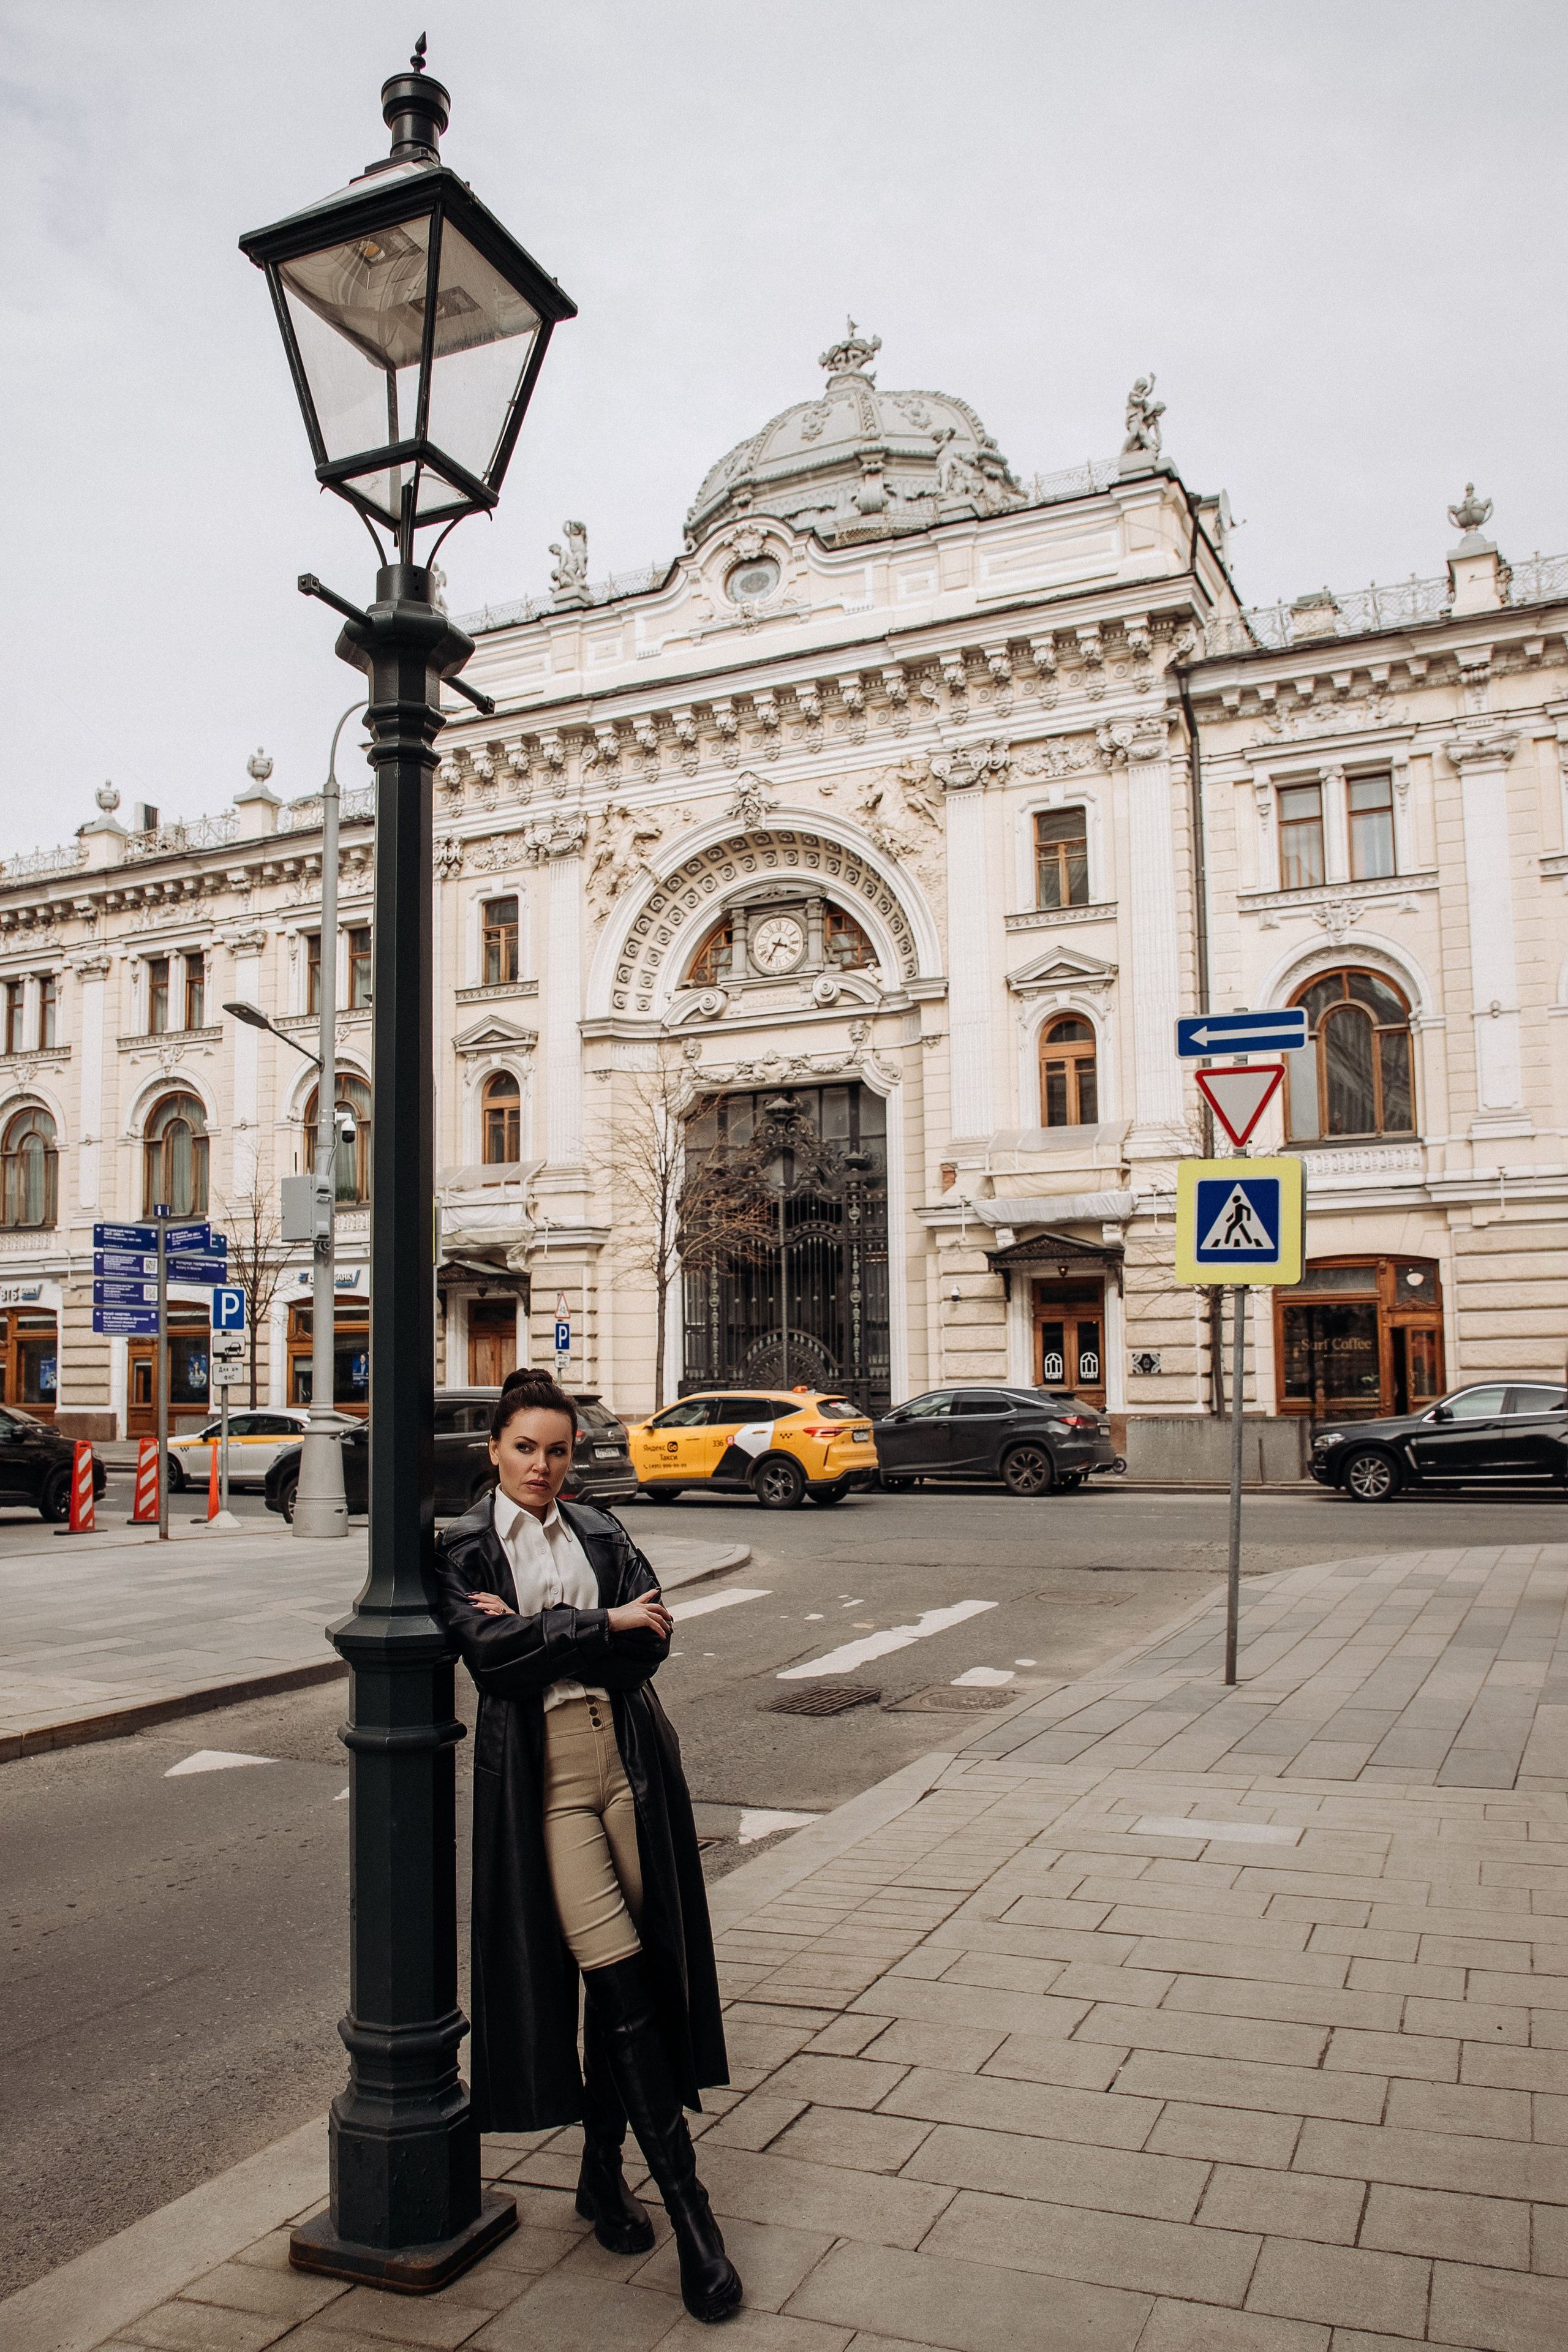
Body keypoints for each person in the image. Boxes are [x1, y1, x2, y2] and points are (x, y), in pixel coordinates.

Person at [433, 1368, 741, 2325]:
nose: (544, 1466)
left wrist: (547, 1632)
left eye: (558, 1449)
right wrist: (597, 1622)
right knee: (612, 1979)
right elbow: (492, 1663)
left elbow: (651, 1643)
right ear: (494, 1449)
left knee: (641, 1982)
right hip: (552, 1786)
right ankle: (695, 2222)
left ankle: (604, 2176)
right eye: (525, 1447)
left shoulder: (599, 1531)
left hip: (632, 1763)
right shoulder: (466, 1548)